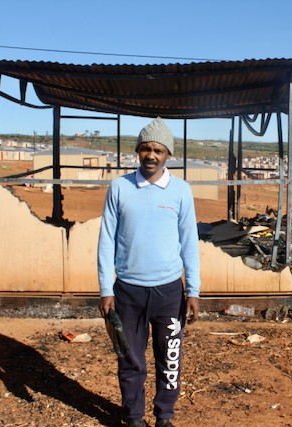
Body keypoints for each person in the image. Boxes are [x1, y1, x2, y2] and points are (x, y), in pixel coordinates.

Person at [98, 117, 201, 427]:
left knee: (169, 359)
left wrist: (193, 291)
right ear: (137, 151)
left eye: (158, 149)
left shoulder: (181, 191)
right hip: (127, 292)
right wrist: (105, 288)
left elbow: (189, 243)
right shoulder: (119, 188)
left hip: (169, 292)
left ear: (168, 154)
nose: (151, 155)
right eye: (145, 149)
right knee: (129, 357)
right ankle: (133, 418)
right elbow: (106, 241)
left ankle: (164, 417)